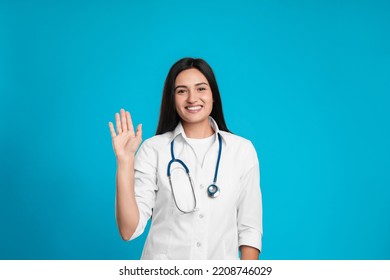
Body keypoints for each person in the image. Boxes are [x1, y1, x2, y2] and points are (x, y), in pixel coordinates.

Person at [108, 58, 262, 260]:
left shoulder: (241, 150)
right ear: (172, 99)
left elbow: (249, 229)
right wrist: (125, 162)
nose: (192, 98)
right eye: (182, 91)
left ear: (213, 95)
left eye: (201, 89)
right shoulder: (154, 149)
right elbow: (129, 230)